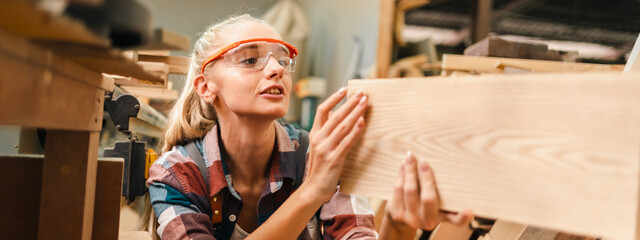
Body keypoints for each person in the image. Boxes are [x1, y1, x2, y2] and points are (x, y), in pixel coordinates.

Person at [147, 14, 473, 240]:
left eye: (282, 59)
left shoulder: (322, 154)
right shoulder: (177, 174)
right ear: (206, 87)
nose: (275, 69)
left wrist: (399, 226)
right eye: (250, 60)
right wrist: (312, 191)